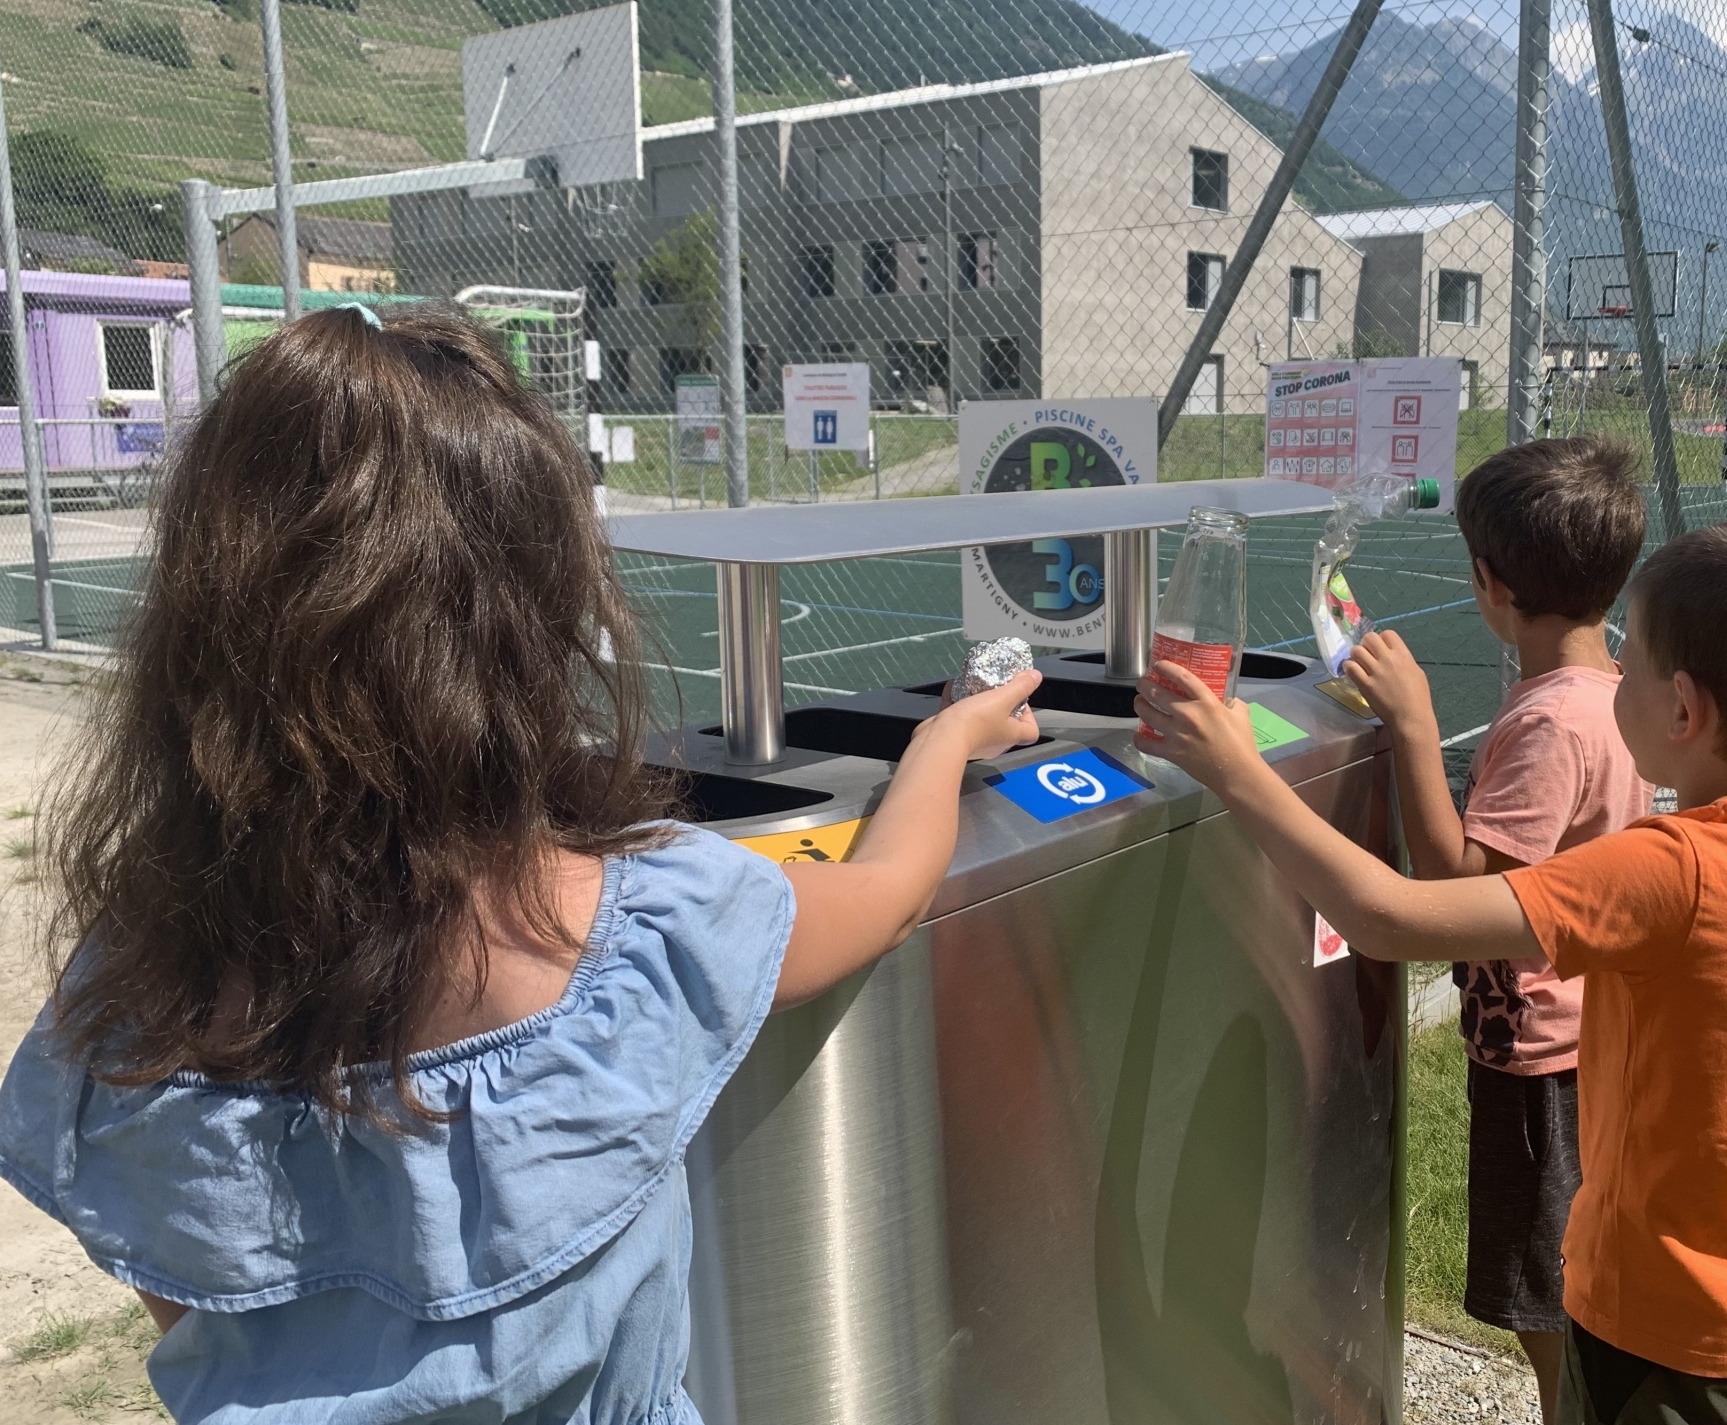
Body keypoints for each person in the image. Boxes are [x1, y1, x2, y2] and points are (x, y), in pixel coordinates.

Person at [0, 306, 1041, 1424]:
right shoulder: (642, 930)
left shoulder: (136, 986)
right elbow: (886, 894)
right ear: (527, 623)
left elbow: (182, 1282)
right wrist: (946, 744)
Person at [1135, 518, 1727, 1425]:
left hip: (1673, 1350)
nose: (1613, 676)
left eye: (1629, 660)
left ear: (1682, 710)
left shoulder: (1670, 869)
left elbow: (1391, 917)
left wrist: (1235, 770)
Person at [1338, 437, 1650, 1421]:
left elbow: (1460, 889)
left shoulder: (1549, 724)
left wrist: (1414, 725)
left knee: (1545, 1291)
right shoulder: (1614, 697)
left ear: (1488, 583)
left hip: (1539, 1060)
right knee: (1563, 1275)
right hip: (1590, 1041)